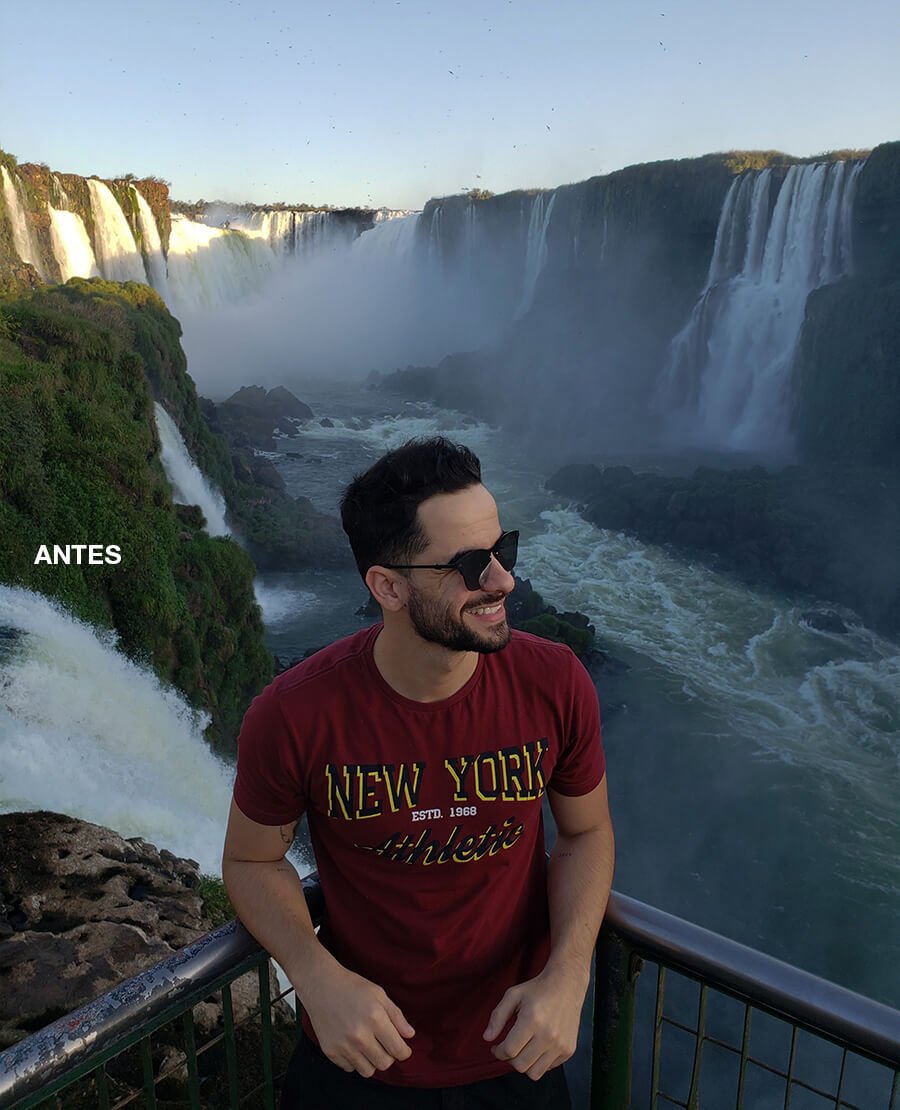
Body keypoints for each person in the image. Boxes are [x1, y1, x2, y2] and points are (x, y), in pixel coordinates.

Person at [222, 437, 614, 1109]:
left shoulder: (555, 682)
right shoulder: (294, 714)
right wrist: (313, 975)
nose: (502, 581)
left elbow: (586, 833)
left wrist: (569, 974)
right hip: (357, 1053)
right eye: (470, 564)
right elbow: (251, 861)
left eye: (503, 550)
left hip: (517, 1046)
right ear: (388, 586)